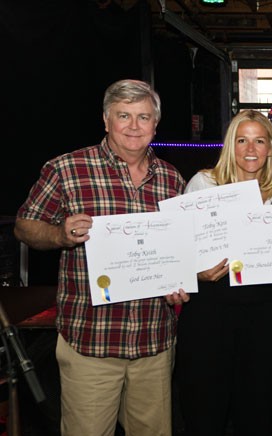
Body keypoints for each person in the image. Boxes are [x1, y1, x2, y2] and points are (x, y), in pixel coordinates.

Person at [14, 79, 189, 436]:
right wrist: (59, 234)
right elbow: (24, 227)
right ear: (106, 120)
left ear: (156, 125)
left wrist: (178, 284)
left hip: (153, 342)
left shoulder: (171, 179)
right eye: (124, 115)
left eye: (143, 117)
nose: (134, 126)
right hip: (92, 341)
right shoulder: (67, 169)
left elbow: (178, 250)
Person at [174, 109, 272, 436]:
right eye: (242, 140)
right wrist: (195, 273)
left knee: (256, 411)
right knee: (204, 413)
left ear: (270, 149)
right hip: (208, 317)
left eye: (259, 140)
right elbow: (178, 252)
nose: (250, 148)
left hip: (261, 321)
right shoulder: (204, 183)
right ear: (230, 146)